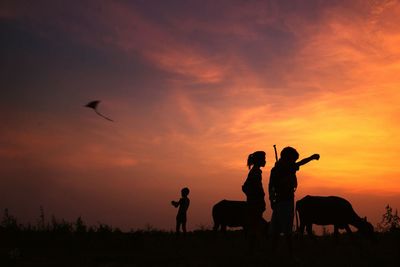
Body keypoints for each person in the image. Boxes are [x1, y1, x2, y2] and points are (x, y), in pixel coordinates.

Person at [269, 146, 319, 255]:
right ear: (288, 158)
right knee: (287, 230)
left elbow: (270, 187)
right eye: (293, 159)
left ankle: (273, 253)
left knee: (275, 231)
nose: (294, 162)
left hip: (277, 201)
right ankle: (290, 254)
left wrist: (271, 200)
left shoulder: (275, 169)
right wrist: (312, 157)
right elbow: (301, 163)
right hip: (286, 201)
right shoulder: (286, 168)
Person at [242, 151, 267, 234]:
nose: (265, 161)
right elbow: (246, 187)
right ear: (259, 160)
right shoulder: (255, 172)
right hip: (255, 203)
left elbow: (245, 187)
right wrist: (255, 198)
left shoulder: (255, 172)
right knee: (255, 225)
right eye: (264, 159)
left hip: (255, 202)